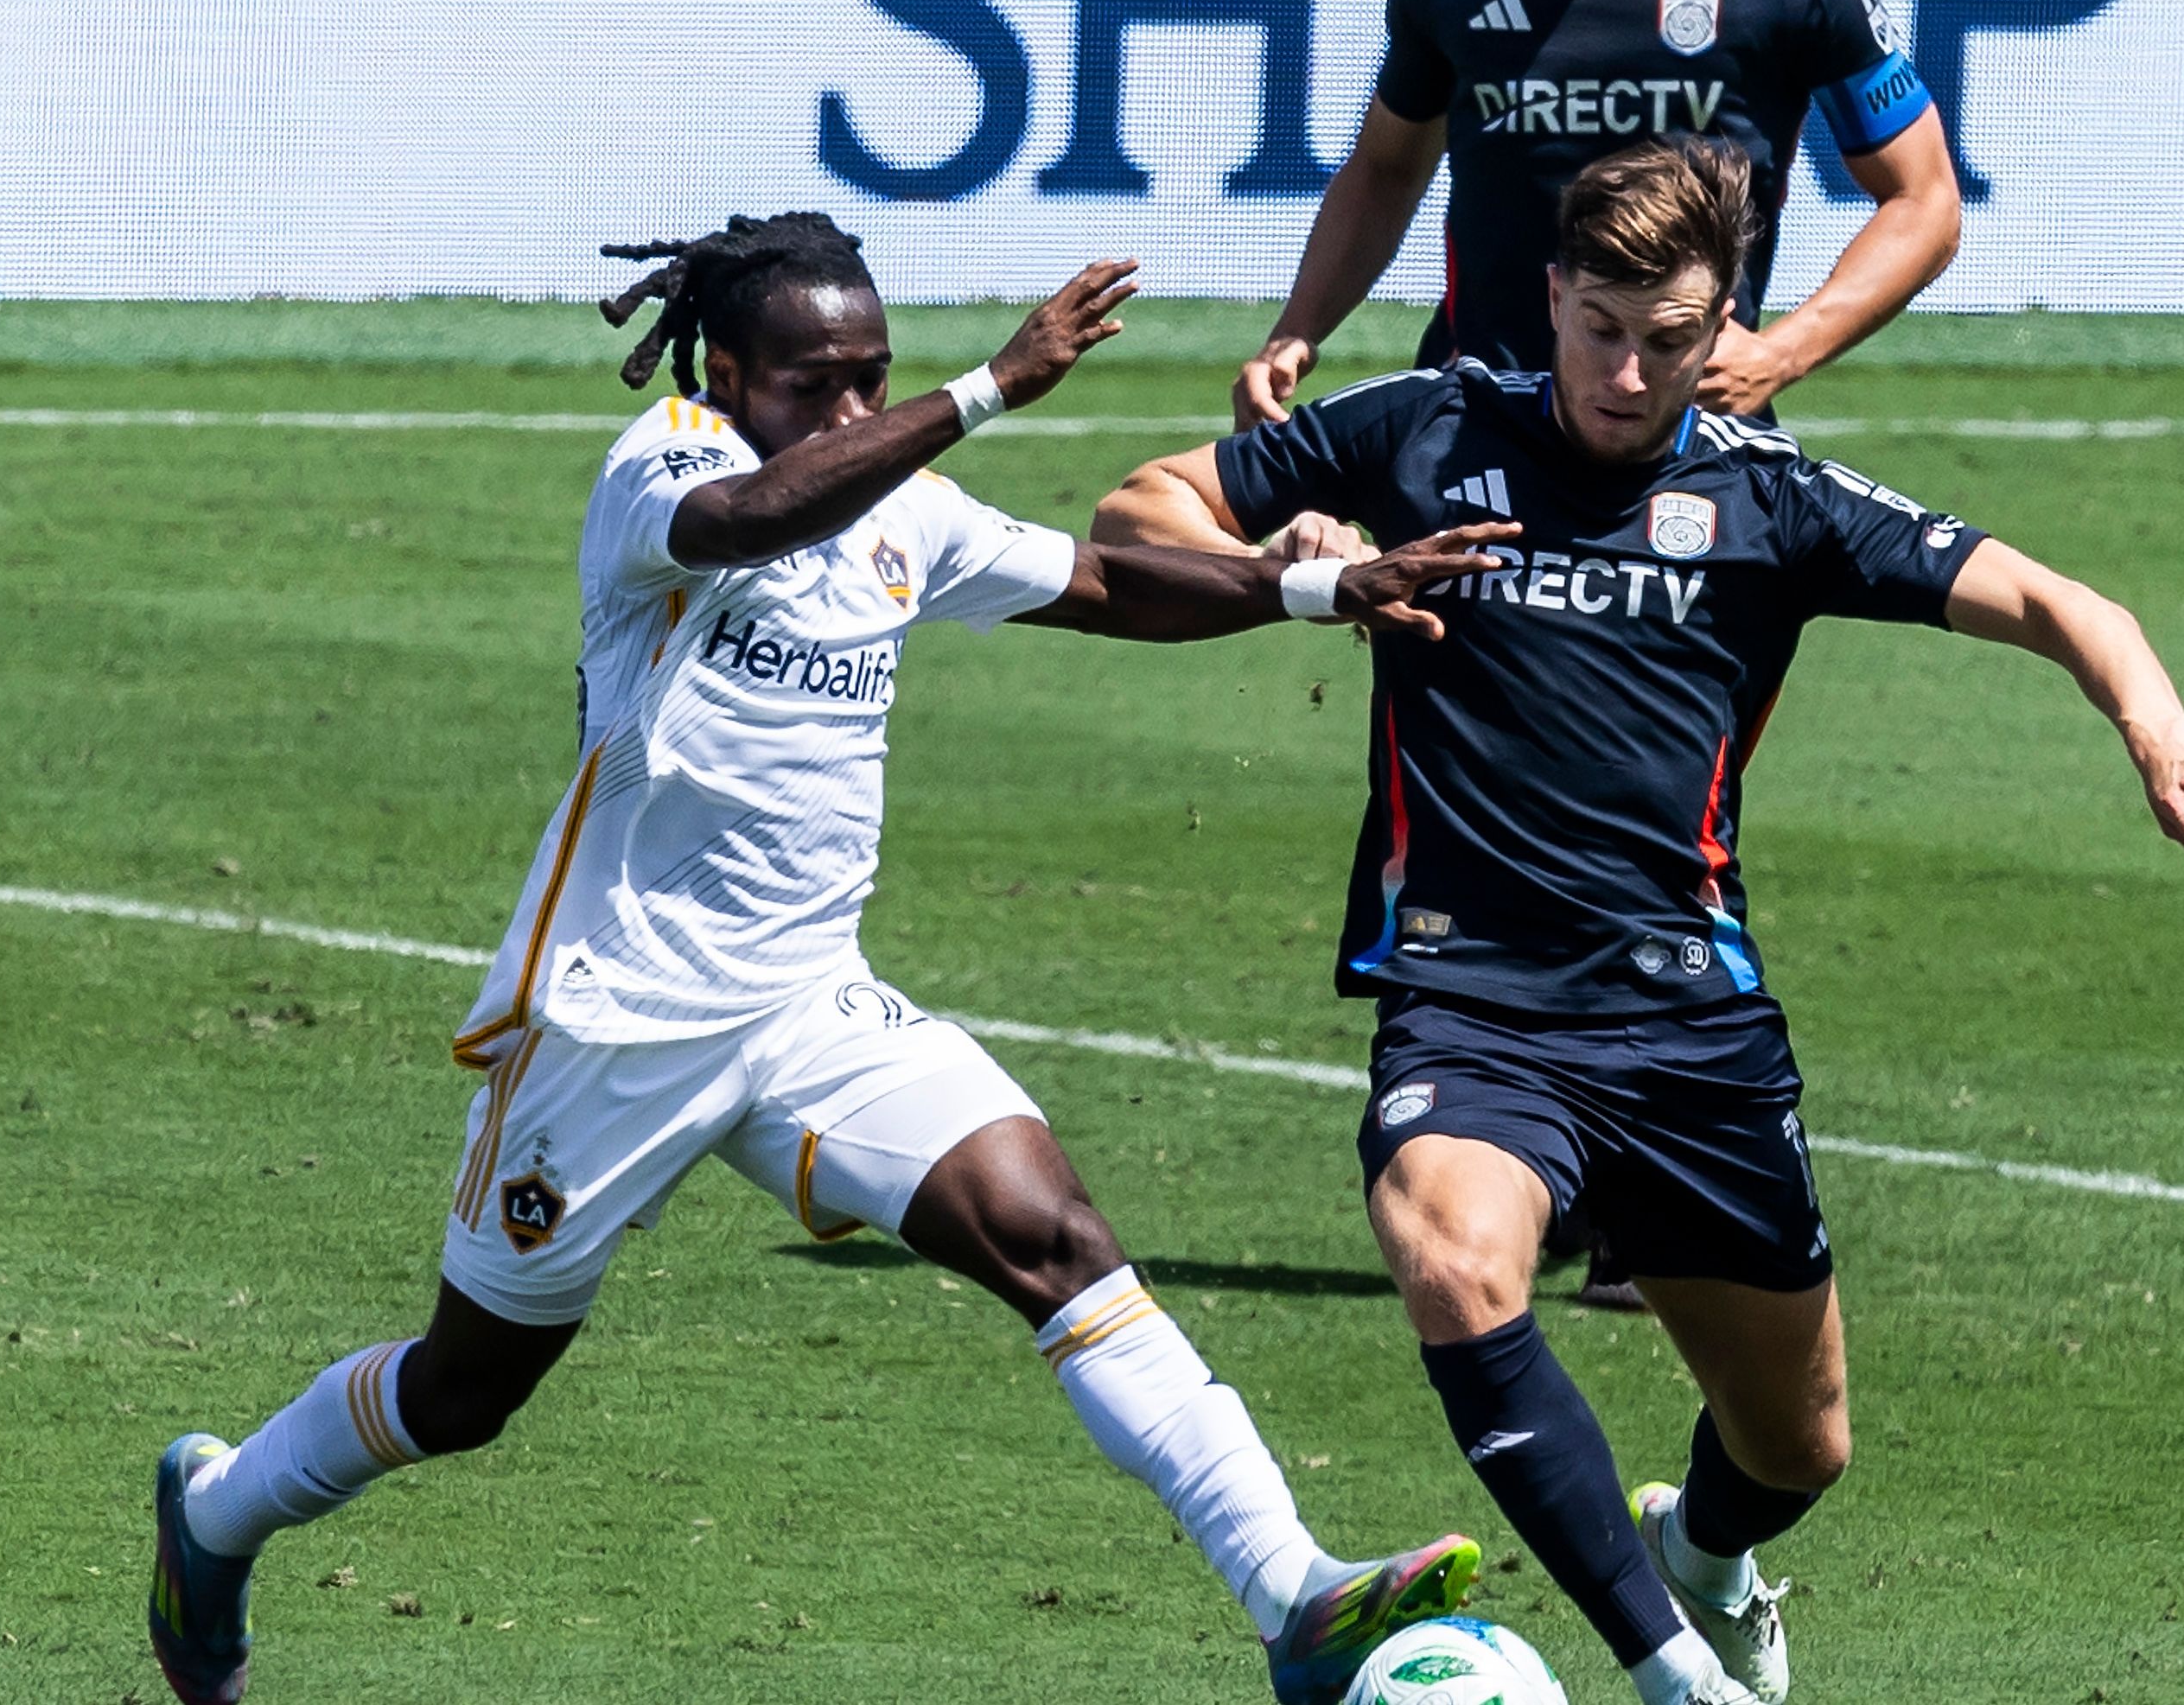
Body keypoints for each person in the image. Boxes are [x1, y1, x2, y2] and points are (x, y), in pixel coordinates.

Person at [146, 214, 1513, 1705]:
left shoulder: (899, 507)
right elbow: (754, 520)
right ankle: (214, 1517)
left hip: (810, 1009)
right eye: (816, 383)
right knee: (464, 1391)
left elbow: (1106, 582)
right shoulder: (661, 472)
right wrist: (985, 389)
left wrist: (1314, 591)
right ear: (724, 373)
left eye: (874, 377)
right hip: (616, 1023)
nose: (856, 411)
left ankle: (1291, 1597)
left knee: (1055, 1235)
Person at [1097, 142, 2184, 1705]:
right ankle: (1675, 1677)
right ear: (1553, 299)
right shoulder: (1430, 427)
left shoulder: (1768, 495)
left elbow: (2070, 606)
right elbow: (1139, 506)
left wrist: (2161, 734)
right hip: (1475, 1003)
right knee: (1454, 1261)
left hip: (1687, 1024)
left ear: (1722, 323)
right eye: (1602, 329)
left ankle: (1705, 1554)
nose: (1631, 371)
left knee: (1799, 1446)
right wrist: (1283, 557)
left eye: (1673, 338)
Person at [1231, 0, 1961, 432]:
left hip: (1690, 432)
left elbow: (1925, 200)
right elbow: (1385, 171)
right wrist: (1298, 330)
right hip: (1480, 415)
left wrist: (1784, 352)